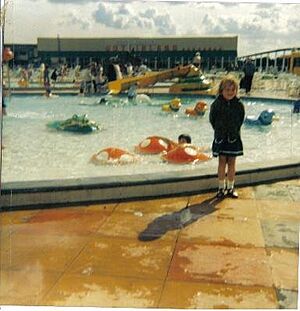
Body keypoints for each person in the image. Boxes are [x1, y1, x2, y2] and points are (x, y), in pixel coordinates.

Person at [209, 76, 245, 199]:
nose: (230, 92)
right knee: (222, 162)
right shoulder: (217, 104)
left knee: (232, 163)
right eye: (227, 90)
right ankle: (220, 187)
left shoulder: (239, 105)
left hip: (233, 137)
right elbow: (212, 119)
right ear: (221, 90)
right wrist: (219, 130)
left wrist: (234, 130)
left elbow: (241, 119)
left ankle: (230, 187)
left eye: (232, 89)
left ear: (236, 90)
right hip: (221, 137)